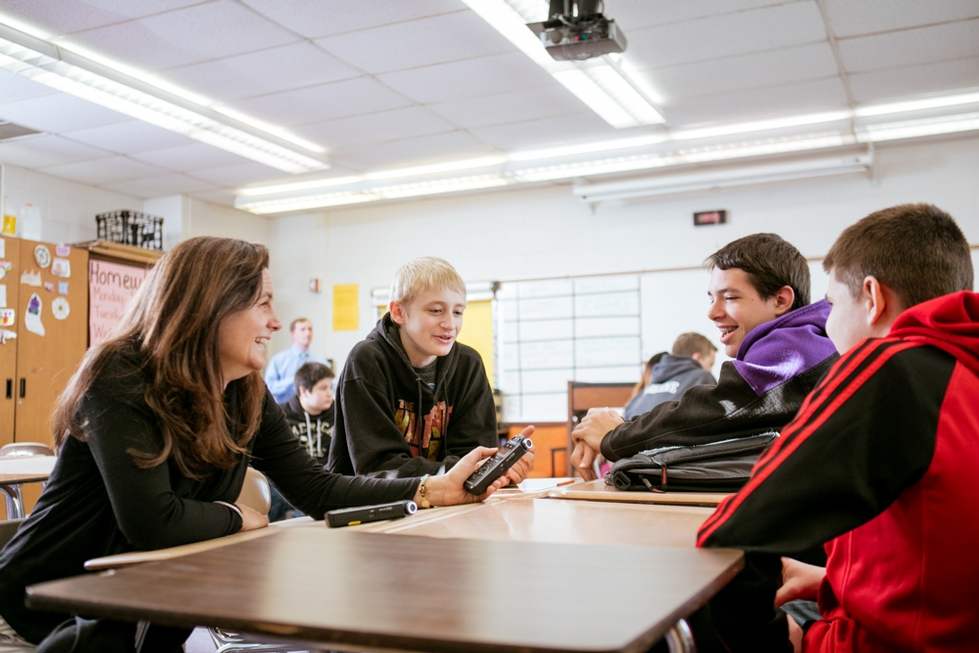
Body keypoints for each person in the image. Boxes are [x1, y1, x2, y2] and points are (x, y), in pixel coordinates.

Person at [0, 238, 512, 652]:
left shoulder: (244, 388)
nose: (275, 322)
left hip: (133, 616)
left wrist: (430, 490)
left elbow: (315, 489)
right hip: (36, 618)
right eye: (263, 303)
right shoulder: (122, 376)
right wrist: (235, 516)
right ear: (209, 306)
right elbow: (153, 522)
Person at [697, 204, 978, 652]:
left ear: (872, 298)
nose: (826, 323)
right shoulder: (964, 370)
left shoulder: (890, 367)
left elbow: (735, 533)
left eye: (831, 304)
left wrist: (775, 644)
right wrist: (834, 580)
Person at [571, 233, 838, 480]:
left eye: (730, 297)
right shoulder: (808, 341)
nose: (712, 313)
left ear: (780, 300)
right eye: (712, 298)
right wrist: (616, 431)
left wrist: (615, 435)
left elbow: (712, 411)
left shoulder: (794, 351)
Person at [329, 256, 534, 479]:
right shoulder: (367, 361)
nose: (450, 324)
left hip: (447, 498)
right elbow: (380, 468)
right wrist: (467, 471)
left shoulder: (468, 365)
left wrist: (495, 468)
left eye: (458, 312)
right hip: (371, 500)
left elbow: (475, 456)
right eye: (436, 310)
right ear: (398, 312)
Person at [268, 361, 336, 521]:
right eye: (323, 388)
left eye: (330, 387)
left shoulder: (338, 413)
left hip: (327, 478)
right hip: (293, 479)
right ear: (304, 391)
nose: (329, 393)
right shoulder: (281, 415)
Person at [623, 333, 717, 420]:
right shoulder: (702, 377)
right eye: (711, 364)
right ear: (697, 358)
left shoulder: (643, 393)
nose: (710, 370)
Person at [263, 317, 322, 403]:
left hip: (313, 409)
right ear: (293, 334)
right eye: (303, 329)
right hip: (283, 409)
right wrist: (294, 379)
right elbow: (268, 388)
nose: (308, 333)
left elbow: (330, 386)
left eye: (310, 329)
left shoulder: (320, 361)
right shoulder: (278, 360)